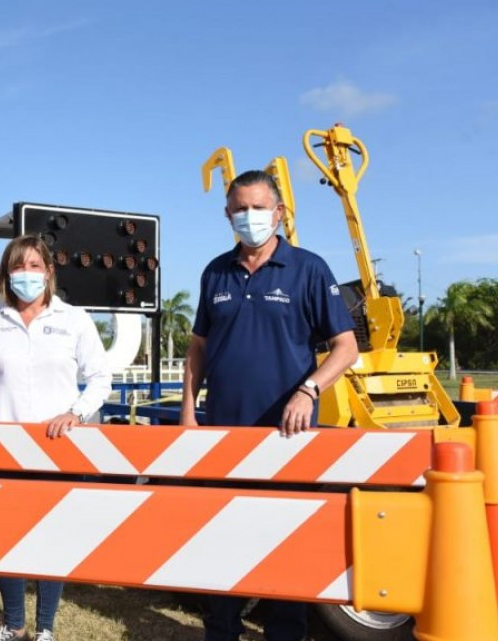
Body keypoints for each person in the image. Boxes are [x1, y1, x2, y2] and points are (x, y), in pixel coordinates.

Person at [180, 170, 358, 641]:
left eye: (259, 208)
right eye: (240, 208)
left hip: (288, 440)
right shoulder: (215, 271)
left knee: (285, 545)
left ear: (279, 213)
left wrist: (309, 390)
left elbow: (345, 347)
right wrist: (188, 410)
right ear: (227, 214)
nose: (249, 217)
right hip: (223, 437)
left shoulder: (310, 269)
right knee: (222, 543)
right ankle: (221, 632)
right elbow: (198, 347)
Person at [0, 234, 112, 641]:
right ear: (5, 277)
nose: (25, 274)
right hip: (6, 450)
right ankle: (13, 625)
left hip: (57, 449)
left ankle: (45, 628)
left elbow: (101, 378)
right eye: (16, 266)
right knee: (7, 538)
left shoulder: (74, 320)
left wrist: (76, 412)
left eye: (33, 266)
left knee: (52, 537)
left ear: (48, 272)